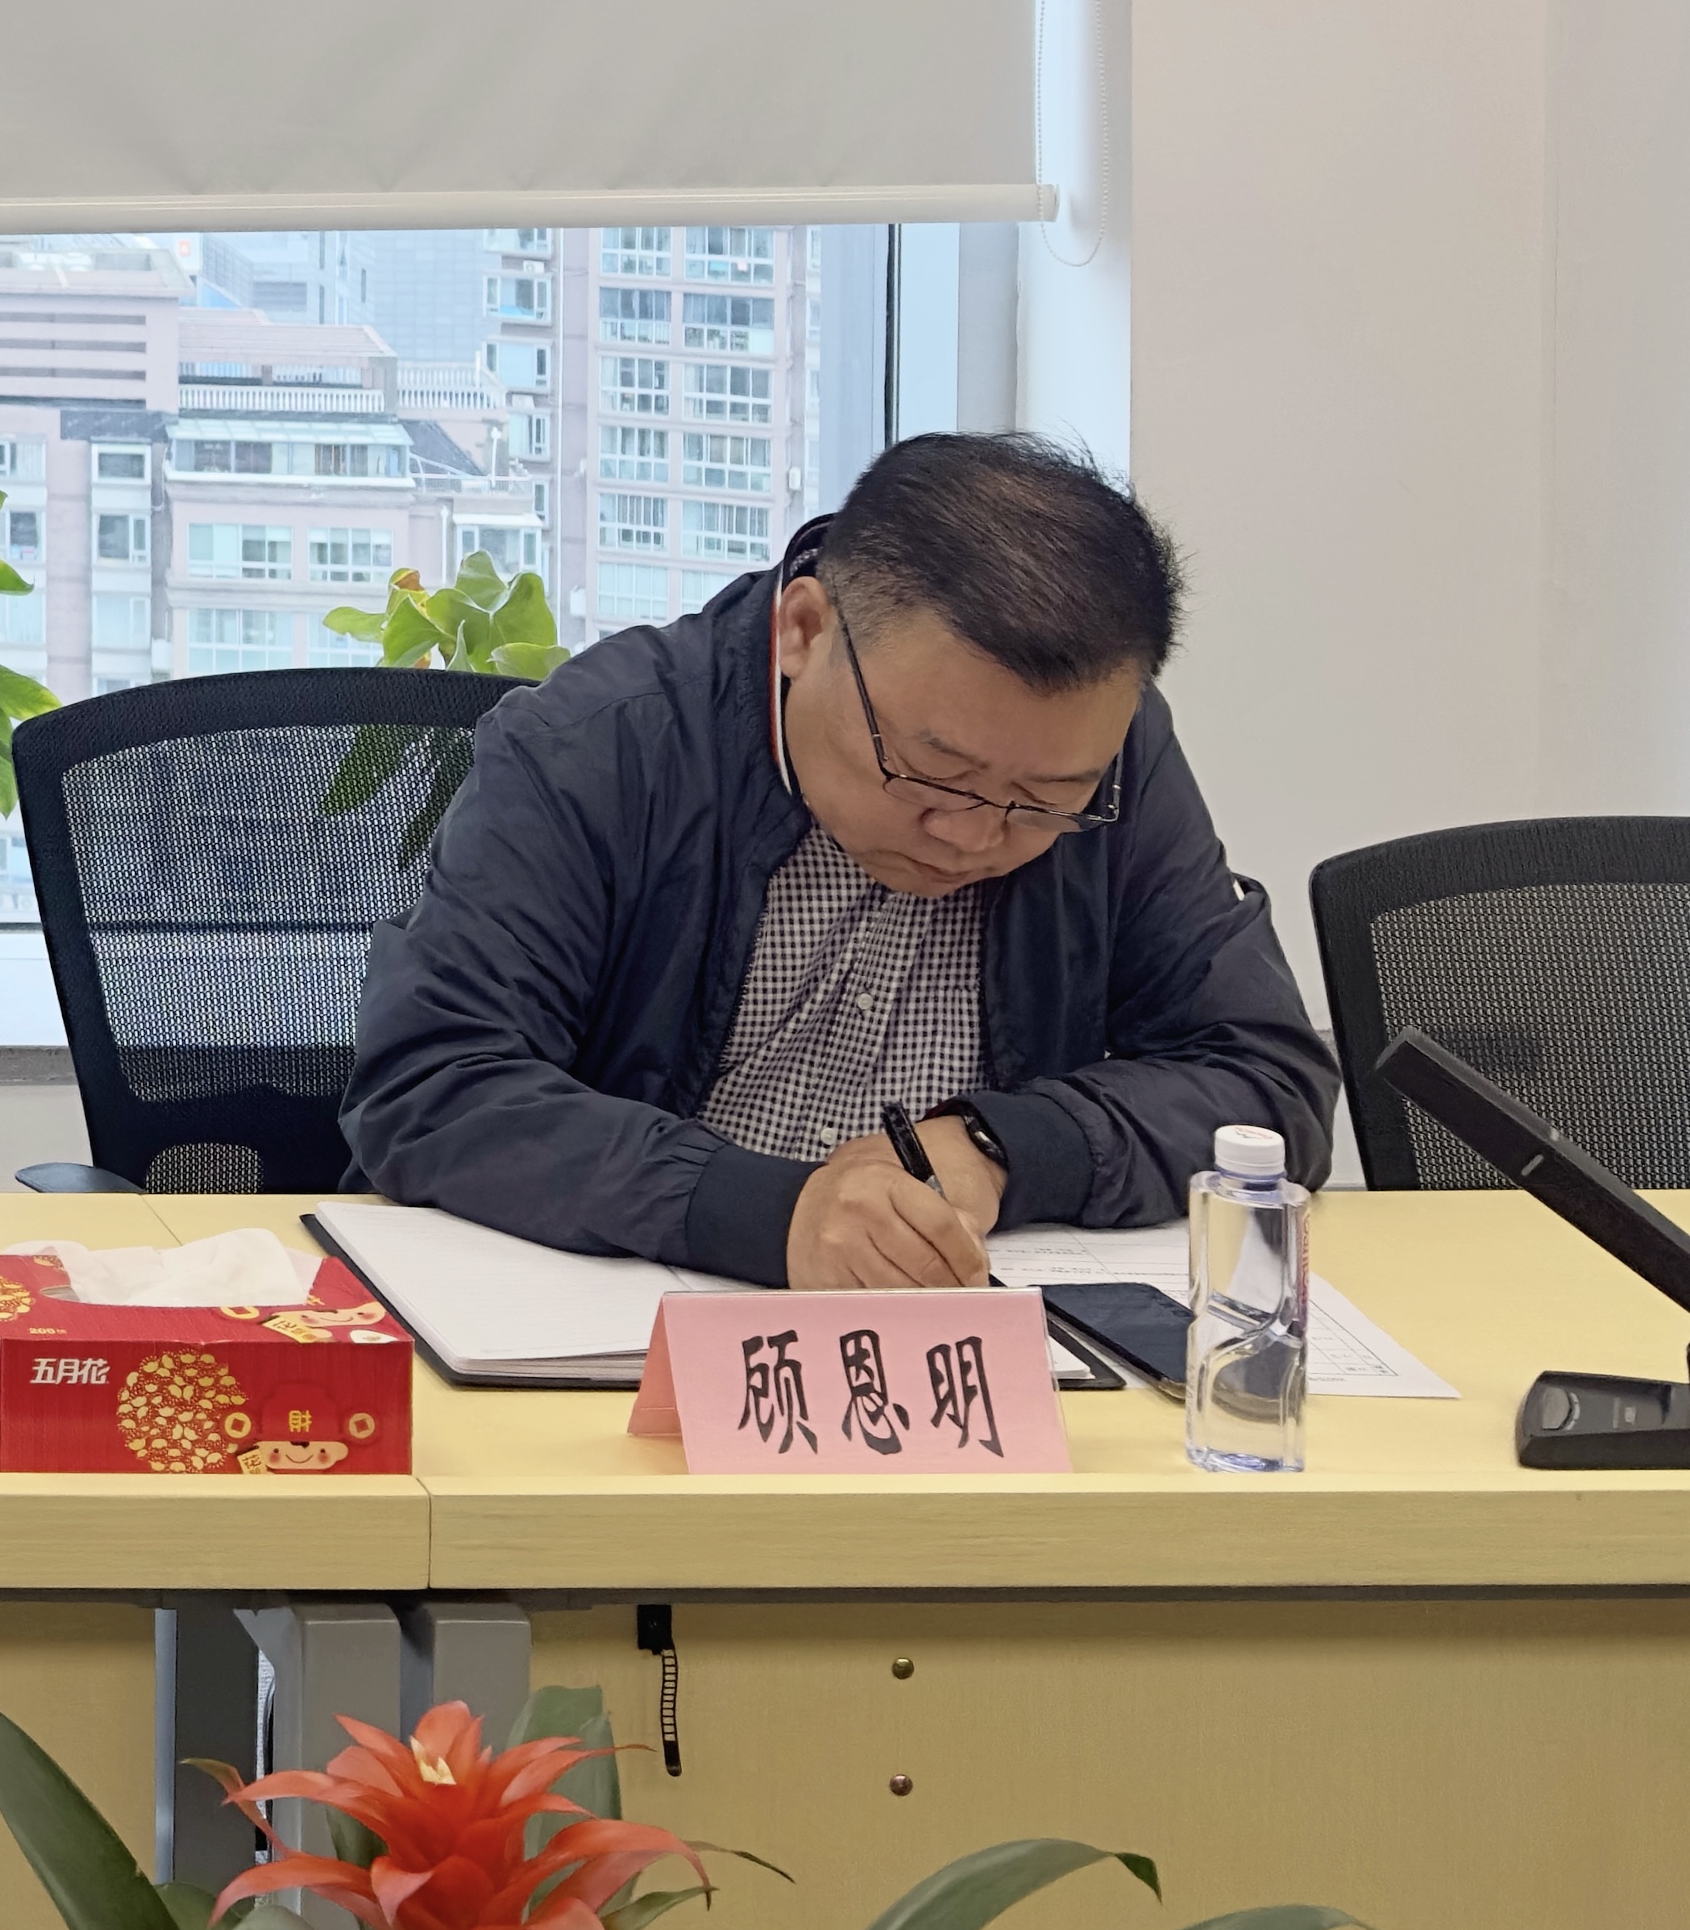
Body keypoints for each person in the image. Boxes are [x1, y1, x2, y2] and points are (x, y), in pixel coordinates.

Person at [342, 432, 1329, 1289]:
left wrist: (999, 1147)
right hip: (623, 1320)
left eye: (1041, 804)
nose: (976, 835)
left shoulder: (1106, 757)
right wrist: (772, 1212)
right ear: (804, 630)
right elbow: (433, 1084)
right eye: (934, 774)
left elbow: (1264, 1079)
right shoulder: (600, 748)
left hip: (962, 1342)